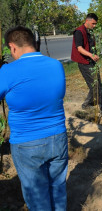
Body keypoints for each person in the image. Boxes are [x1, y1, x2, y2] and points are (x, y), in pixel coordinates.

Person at [0, 26, 68, 210]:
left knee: (38, 197)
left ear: (13, 47)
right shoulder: (56, 65)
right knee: (58, 188)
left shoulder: (8, 71)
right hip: (58, 137)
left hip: (27, 142)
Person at [71, 13, 102, 116]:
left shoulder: (89, 31)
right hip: (84, 62)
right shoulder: (79, 32)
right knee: (95, 85)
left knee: (97, 84)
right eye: (93, 23)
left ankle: (88, 104)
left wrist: (95, 54)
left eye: (95, 24)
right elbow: (79, 48)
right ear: (87, 20)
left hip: (92, 61)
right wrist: (91, 55)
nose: (94, 26)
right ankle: (101, 108)